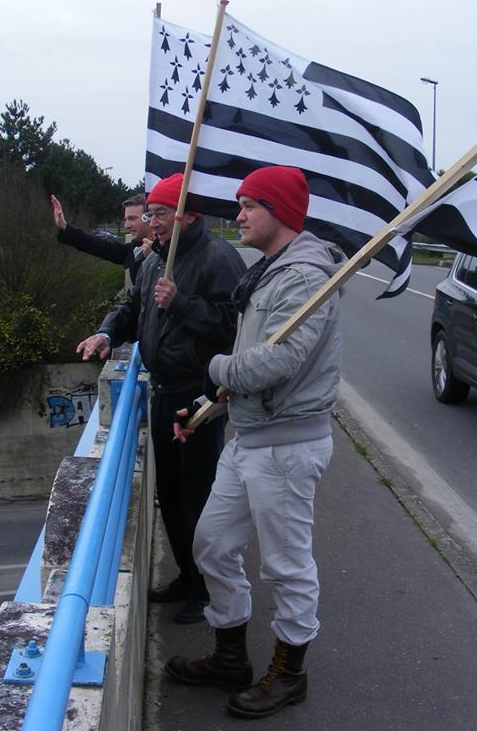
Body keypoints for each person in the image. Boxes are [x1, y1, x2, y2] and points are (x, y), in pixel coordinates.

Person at [165, 165, 343, 718]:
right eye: (240, 204)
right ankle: (229, 656)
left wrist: (213, 367)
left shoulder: (306, 276)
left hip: (286, 447)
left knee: (287, 565)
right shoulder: (268, 271)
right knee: (212, 543)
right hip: (249, 438)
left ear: (281, 212)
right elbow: (248, 366)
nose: (238, 215)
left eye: (249, 206)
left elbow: (280, 360)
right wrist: (203, 410)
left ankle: (290, 674)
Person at [76, 173, 246, 624]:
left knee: (199, 496)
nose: (153, 222)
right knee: (169, 495)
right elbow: (134, 308)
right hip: (163, 391)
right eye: (150, 214)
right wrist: (107, 332)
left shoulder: (218, 258)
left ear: (189, 214)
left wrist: (181, 303)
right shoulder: (155, 261)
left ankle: (208, 590)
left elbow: (235, 327)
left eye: (160, 213)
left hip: (198, 398)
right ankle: (187, 578)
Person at [51, 192, 152, 285]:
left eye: (132, 218)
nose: (126, 225)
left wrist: (155, 257)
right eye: (126, 219)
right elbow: (99, 246)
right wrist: (65, 227)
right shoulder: (134, 248)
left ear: (149, 217)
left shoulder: (165, 252)